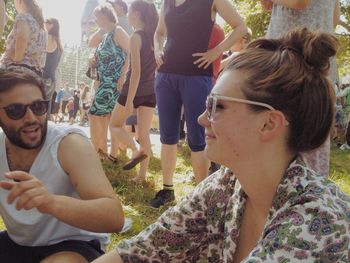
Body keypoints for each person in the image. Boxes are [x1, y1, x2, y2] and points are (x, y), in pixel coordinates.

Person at [93, 28, 350, 263]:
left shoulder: (316, 220)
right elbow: (142, 252)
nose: (201, 119)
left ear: (269, 124)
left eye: (218, 106)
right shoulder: (228, 185)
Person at [0, 70, 125, 262]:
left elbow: (114, 217)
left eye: (39, 106)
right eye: (16, 110)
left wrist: (51, 202)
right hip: (18, 243)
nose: (31, 118)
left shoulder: (69, 143)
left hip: (71, 245)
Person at [150, 0, 247, 208]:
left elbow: (241, 27)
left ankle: (200, 198)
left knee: (197, 137)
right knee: (167, 136)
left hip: (196, 77)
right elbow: (158, 32)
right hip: (166, 76)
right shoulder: (167, 2)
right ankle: (167, 190)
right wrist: (157, 49)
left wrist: (216, 52)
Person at [261, 0, 340, 177]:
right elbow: (334, 19)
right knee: (311, 137)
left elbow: (299, 1)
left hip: (290, 59)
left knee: (280, 134)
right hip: (317, 56)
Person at [109, 0, 158, 181]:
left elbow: (135, 72)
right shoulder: (155, 37)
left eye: (129, 11)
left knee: (114, 125)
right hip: (150, 90)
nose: (127, 15)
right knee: (143, 133)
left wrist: (129, 101)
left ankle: (136, 150)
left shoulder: (136, 37)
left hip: (133, 89)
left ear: (136, 14)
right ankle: (142, 176)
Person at [88, 4, 129, 155]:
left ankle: (97, 151)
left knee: (94, 114)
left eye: (96, 17)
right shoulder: (105, 35)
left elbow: (131, 52)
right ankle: (110, 153)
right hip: (103, 81)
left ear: (104, 16)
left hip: (113, 82)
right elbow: (92, 46)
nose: (95, 20)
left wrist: (124, 75)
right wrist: (94, 59)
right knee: (110, 117)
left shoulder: (118, 31)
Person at [0, 0, 47, 77]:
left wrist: (17, 60)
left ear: (19, 1)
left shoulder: (23, 16)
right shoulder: (40, 25)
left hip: (16, 70)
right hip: (34, 73)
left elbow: (22, 37)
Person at [43, 18, 63, 101]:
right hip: (51, 80)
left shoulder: (49, 38)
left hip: (45, 79)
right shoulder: (58, 41)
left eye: (46, 22)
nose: (44, 23)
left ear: (52, 25)